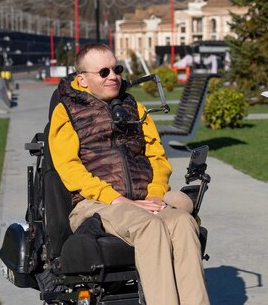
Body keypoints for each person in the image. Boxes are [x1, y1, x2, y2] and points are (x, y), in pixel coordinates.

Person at [48, 43, 209, 305]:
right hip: (96, 205)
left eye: (116, 69)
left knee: (182, 222)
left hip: (145, 200)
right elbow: (70, 169)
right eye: (103, 72)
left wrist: (156, 195)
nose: (113, 76)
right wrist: (119, 200)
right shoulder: (66, 112)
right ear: (82, 79)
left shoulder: (137, 109)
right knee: (150, 226)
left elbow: (157, 158)